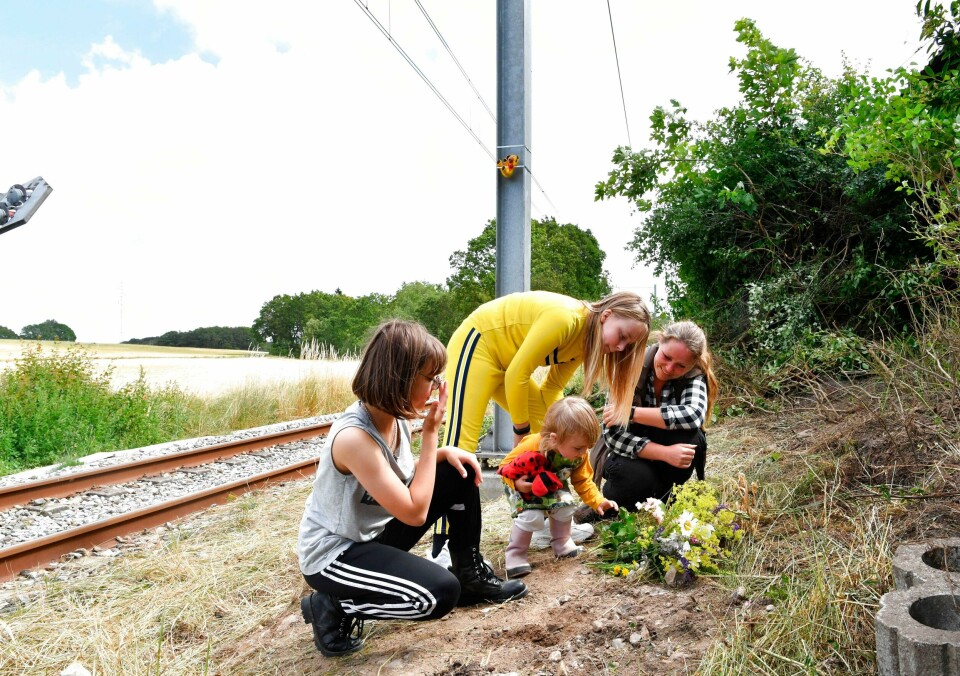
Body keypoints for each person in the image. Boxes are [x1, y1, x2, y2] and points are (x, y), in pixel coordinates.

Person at [297, 320, 527, 658]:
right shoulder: (355, 438)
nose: (436, 387)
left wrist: (442, 455)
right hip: (335, 554)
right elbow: (415, 511)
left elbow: (403, 484)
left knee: (456, 470)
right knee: (436, 596)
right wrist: (432, 434)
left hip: (372, 534)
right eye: (431, 378)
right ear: (400, 379)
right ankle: (333, 605)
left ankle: (470, 576)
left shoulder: (395, 417)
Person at [432, 290, 651, 558]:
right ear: (606, 316)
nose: (620, 347)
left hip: (507, 365)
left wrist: (560, 435)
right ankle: (443, 545)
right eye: (622, 336)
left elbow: (552, 390)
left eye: (628, 345)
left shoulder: (585, 342)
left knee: (559, 435)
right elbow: (518, 374)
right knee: (460, 449)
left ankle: (550, 521)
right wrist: (523, 434)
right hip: (479, 345)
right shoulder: (565, 319)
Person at [581, 320, 718, 518]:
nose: (670, 368)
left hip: (665, 456)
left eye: (681, 365)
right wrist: (665, 453)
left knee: (692, 438)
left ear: (692, 364)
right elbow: (613, 436)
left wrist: (630, 412)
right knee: (634, 478)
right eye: (667, 356)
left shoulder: (694, 375)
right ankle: (621, 502)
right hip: (629, 456)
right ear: (660, 341)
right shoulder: (629, 366)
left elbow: (694, 415)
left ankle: (664, 498)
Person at [496, 396, 618, 578]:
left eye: (587, 447)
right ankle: (516, 554)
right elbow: (503, 468)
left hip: (553, 485)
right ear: (554, 438)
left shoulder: (579, 453)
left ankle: (562, 542)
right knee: (531, 515)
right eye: (578, 448)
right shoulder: (532, 445)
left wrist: (598, 501)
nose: (584, 453)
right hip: (526, 486)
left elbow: (583, 481)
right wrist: (517, 484)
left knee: (566, 505)